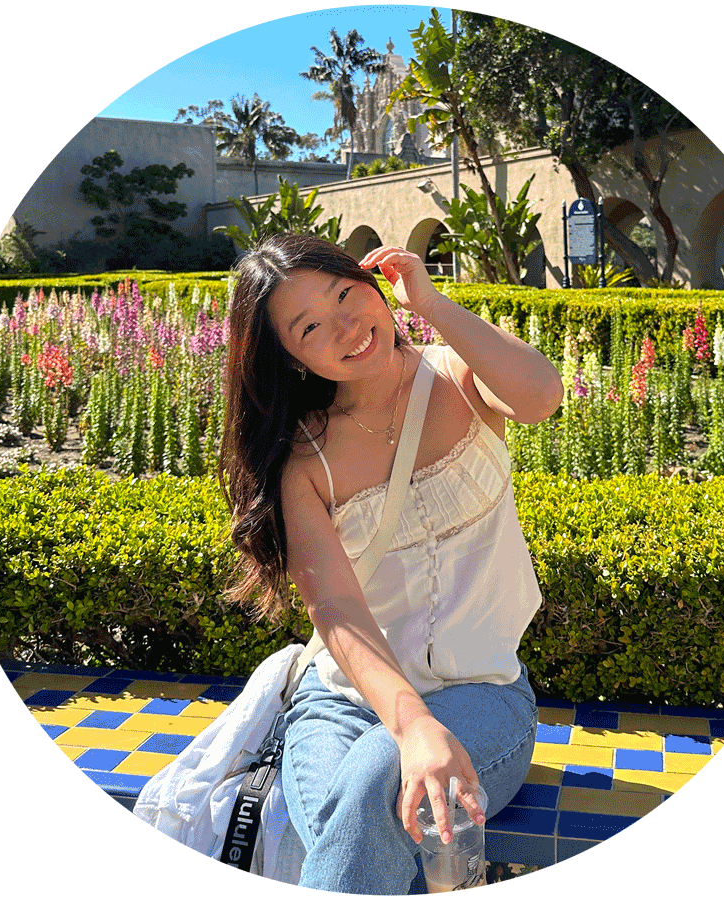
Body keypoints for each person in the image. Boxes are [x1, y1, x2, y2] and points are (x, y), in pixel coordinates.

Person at [218, 235, 563, 894]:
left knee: (379, 781)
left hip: (483, 696)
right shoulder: (304, 459)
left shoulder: (460, 378)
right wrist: (409, 722)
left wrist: (429, 303)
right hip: (342, 704)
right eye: (310, 326)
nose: (347, 326)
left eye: (346, 293)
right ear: (287, 356)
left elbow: (541, 396)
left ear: (374, 285)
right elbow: (338, 612)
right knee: (352, 815)